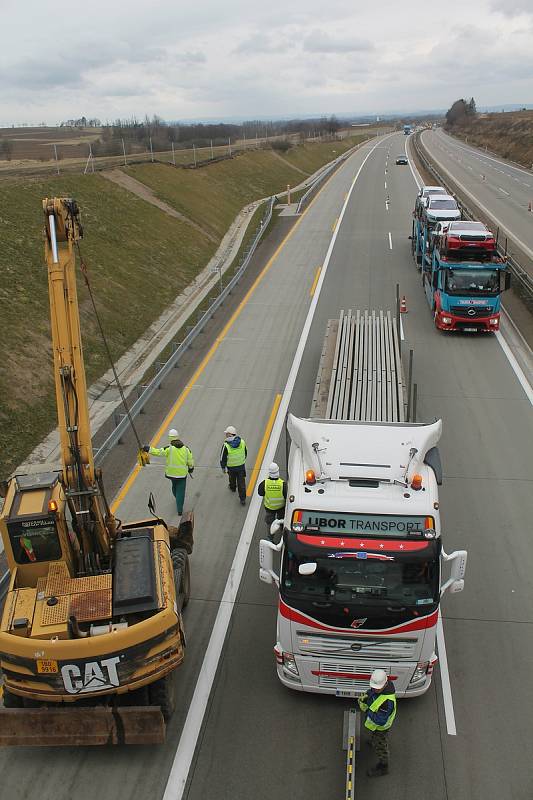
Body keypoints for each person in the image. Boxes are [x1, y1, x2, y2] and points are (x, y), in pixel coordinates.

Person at [142, 428, 194, 515]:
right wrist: (191, 469)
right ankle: (179, 509)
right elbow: (190, 461)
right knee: (181, 491)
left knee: (174, 488)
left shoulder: (169, 449)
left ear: (170, 438)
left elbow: (158, 452)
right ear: (178, 437)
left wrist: (148, 449)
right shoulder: (186, 449)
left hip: (171, 474)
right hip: (182, 475)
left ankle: (177, 498)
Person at [357, 669, 397, 778]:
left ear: (384, 684)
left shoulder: (387, 702)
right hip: (375, 726)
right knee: (374, 737)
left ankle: (384, 767)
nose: (374, 689)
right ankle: (373, 740)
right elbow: (372, 694)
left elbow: (380, 720)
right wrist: (367, 697)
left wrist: (368, 710)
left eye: (376, 688)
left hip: (380, 728)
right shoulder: (379, 689)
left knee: (381, 746)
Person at [220, 425, 247, 506]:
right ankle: (242, 499)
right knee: (241, 483)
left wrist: (223, 467)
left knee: (232, 478)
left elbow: (222, 457)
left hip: (231, 467)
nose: (225, 435)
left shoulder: (226, 445)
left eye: (226, 433)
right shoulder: (242, 441)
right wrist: (242, 460)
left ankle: (233, 488)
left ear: (229, 434)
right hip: (241, 466)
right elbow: (246, 452)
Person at [257, 462, 286, 535]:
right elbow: (286, 496)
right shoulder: (283, 484)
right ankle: (282, 533)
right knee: (282, 521)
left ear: (269, 472)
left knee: (270, 523)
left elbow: (260, 493)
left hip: (269, 508)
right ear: (278, 471)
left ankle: (270, 538)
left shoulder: (264, 483)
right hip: (281, 508)